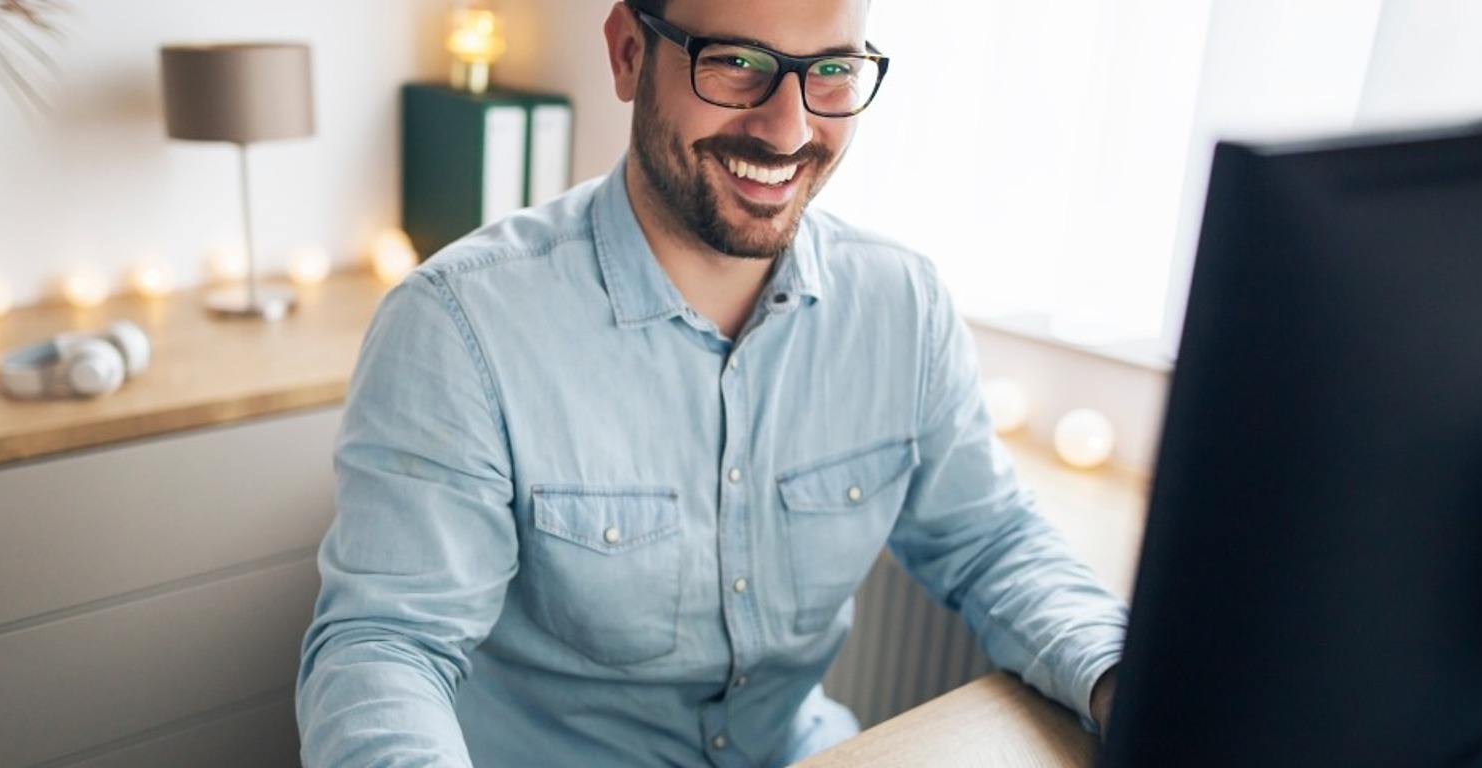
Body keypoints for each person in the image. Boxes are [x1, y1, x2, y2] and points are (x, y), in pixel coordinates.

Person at [296, 0, 1127, 764]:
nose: (788, 128)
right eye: (737, 62)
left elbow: (991, 541)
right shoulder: (457, 325)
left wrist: (1121, 682)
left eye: (830, 72)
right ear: (628, 54)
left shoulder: (902, 303)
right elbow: (386, 650)